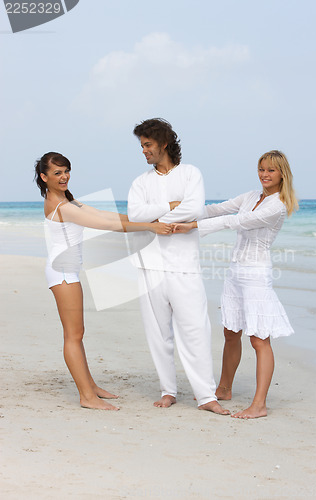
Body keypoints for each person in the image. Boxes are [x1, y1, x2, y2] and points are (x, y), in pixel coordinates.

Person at [35, 152, 172, 410]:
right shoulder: (61, 206)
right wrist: (149, 226)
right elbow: (105, 225)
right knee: (73, 335)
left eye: (66, 171)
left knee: (77, 333)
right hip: (62, 273)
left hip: (67, 271)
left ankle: (91, 386)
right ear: (44, 177)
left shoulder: (66, 200)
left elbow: (106, 215)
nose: (64, 177)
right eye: (57, 173)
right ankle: (86, 396)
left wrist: (147, 218)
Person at [173, 150, 298, 418]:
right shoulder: (252, 196)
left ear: (282, 173)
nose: (265, 174)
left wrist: (193, 225)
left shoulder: (277, 205)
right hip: (236, 272)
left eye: (271, 170)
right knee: (231, 332)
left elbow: (236, 221)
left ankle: (259, 405)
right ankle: (224, 388)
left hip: (256, 274)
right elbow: (219, 209)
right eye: (262, 169)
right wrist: (183, 210)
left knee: (259, 339)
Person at [127, 118, 230, 414]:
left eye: (148, 145)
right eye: (142, 145)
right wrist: (168, 208)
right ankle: (168, 390)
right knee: (158, 332)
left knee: (195, 329)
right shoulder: (140, 182)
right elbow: (135, 215)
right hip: (150, 266)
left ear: (164, 144)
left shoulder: (190, 174)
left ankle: (205, 396)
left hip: (184, 265)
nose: (144, 151)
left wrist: (155, 220)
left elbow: (195, 209)